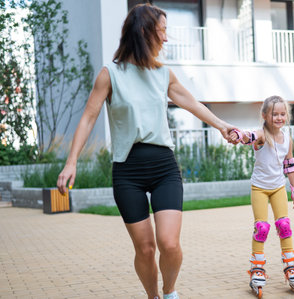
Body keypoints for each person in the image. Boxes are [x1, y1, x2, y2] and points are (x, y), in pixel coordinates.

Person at [56, 4, 236, 299]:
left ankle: (170, 292)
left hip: (164, 167)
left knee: (169, 244)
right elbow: (89, 117)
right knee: (145, 248)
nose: (166, 39)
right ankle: (153, 296)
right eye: (162, 31)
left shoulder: (163, 74)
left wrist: (221, 125)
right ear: (144, 32)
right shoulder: (110, 74)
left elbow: (192, 103)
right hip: (128, 170)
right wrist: (71, 162)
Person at [230, 95, 294, 298]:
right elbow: (249, 136)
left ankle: (290, 265)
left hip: (278, 187)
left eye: (282, 114)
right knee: (261, 227)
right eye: (274, 114)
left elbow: (290, 165)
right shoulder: (261, 134)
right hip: (260, 188)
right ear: (265, 115)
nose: (279, 117)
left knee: (284, 225)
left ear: (286, 115)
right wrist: (239, 135)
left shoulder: (288, 139)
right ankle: (257, 268)